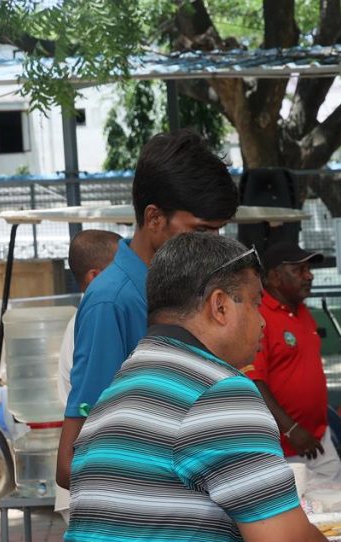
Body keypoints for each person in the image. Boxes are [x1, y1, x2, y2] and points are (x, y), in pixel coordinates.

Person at [17, 232, 341, 542]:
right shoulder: (219, 391)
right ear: (220, 306)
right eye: (254, 302)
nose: (263, 321)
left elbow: (165, 529)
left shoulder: (124, 384)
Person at [56, 130, 239, 492]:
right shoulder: (112, 301)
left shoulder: (189, 287)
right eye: (201, 230)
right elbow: (75, 459)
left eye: (218, 231)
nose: (212, 243)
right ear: (154, 218)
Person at [247, 242, 341, 486]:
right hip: (282, 447)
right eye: (299, 270)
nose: (309, 275)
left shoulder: (302, 312)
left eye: (309, 269)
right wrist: (291, 430)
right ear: (273, 276)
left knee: (340, 512)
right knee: (302, 519)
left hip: (319, 438)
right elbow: (254, 383)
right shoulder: (258, 317)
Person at [55, 229, 121, 522]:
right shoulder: (99, 316)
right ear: (96, 277)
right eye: (121, 270)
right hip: (94, 477)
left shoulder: (104, 312)